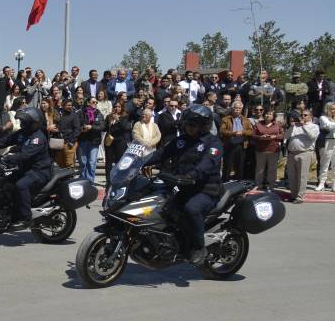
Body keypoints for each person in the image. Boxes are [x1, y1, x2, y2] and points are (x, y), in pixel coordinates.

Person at [150, 105, 223, 264]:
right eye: (187, 124)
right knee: (161, 206)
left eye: (193, 125)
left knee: (192, 208)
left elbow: (207, 164)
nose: (189, 127)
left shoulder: (213, 143)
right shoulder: (181, 140)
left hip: (206, 190)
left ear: (203, 126)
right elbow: (161, 153)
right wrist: (140, 162)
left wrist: (191, 176)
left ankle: (199, 247)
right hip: (182, 187)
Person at [0, 107, 52, 228]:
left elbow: (24, 155)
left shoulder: (38, 138)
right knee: (2, 184)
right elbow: (5, 141)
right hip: (25, 169)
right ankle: (10, 212)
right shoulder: (22, 133)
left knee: (21, 185)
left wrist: (6, 158)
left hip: (40, 171)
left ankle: (26, 219)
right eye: (22, 121)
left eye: (24, 122)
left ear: (32, 123)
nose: (22, 124)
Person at [218, 101, 253, 181]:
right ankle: (225, 181)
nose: (237, 110)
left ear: (242, 109)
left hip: (241, 145)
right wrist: (233, 133)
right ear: (232, 108)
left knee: (240, 165)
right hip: (229, 144)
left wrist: (243, 132)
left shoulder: (246, 120)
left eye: (239, 108)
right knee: (227, 165)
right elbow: (222, 130)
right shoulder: (226, 119)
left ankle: (238, 181)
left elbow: (251, 131)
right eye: (236, 108)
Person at [252, 109, 283, 191]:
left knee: (272, 169)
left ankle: (271, 186)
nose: (267, 115)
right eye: (266, 114)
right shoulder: (258, 124)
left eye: (270, 114)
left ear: (273, 116)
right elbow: (253, 135)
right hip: (261, 150)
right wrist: (260, 137)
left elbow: (283, 135)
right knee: (259, 169)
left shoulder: (278, 125)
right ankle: (258, 185)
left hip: (273, 150)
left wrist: (275, 136)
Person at [77, 96, 105, 183]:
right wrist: (82, 129)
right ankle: (82, 181)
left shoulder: (98, 113)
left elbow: (102, 126)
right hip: (83, 140)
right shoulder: (81, 113)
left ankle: (90, 182)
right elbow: (77, 125)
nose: (95, 104)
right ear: (88, 103)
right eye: (93, 102)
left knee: (92, 163)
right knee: (83, 162)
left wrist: (91, 127)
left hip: (94, 141)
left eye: (96, 102)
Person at [103, 102, 132, 181]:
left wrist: (118, 120)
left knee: (119, 161)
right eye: (115, 106)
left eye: (119, 106)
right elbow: (104, 129)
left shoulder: (125, 116)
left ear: (122, 108)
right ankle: (108, 180)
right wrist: (109, 122)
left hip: (120, 142)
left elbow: (125, 127)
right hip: (110, 141)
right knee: (108, 162)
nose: (116, 108)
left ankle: (118, 179)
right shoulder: (109, 116)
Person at [316, 102, 335, 192]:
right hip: (326, 141)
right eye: (332, 109)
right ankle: (321, 183)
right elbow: (329, 126)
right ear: (327, 109)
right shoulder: (323, 118)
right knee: (324, 164)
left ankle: (334, 184)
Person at [55, 98, 81, 168]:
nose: (70, 107)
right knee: (60, 164)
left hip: (69, 143)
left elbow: (77, 129)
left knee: (69, 164)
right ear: (63, 106)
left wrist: (71, 141)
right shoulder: (60, 115)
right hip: (60, 143)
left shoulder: (74, 116)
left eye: (71, 105)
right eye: (68, 105)